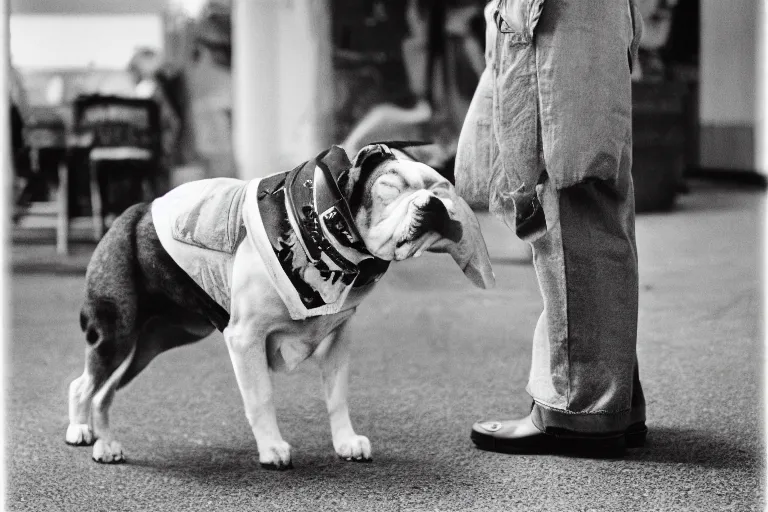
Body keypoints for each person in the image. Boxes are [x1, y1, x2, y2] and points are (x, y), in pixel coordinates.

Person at [456, 0, 647, 454]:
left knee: (563, 186)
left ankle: (576, 406)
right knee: (598, 190)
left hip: (556, 15)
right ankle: (615, 394)